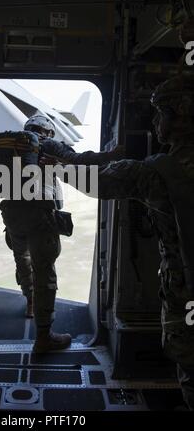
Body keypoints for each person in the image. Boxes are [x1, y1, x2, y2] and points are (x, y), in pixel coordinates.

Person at [52, 73, 194, 409]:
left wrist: (60, 159)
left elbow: (96, 183)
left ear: (182, 115)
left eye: (162, 113)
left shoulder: (160, 172)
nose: (156, 121)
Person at [0, 111, 123, 353]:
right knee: (44, 272)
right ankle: (44, 336)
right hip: (39, 215)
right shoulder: (47, 145)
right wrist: (110, 155)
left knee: (22, 260)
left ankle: (29, 302)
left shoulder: (10, 149)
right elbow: (79, 159)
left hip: (11, 214)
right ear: (47, 132)